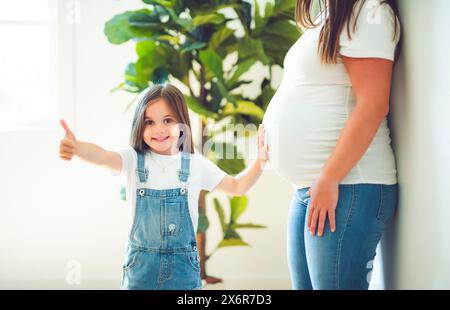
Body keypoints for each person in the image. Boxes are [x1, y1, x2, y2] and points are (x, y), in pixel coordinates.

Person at [59, 83, 269, 290]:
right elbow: (103, 156)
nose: (158, 129)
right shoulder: (132, 160)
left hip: (183, 273)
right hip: (140, 271)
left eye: (167, 120)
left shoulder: (195, 164)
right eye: (149, 122)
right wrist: (76, 147)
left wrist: (260, 161)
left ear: (182, 122)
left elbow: (237, 186)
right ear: (139, 125)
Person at [262, 0, 401, 289]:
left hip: (348, 185)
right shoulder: (327, 18)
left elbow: (373, 105)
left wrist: (330, 176)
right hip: (316, 187)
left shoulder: (369, 13)